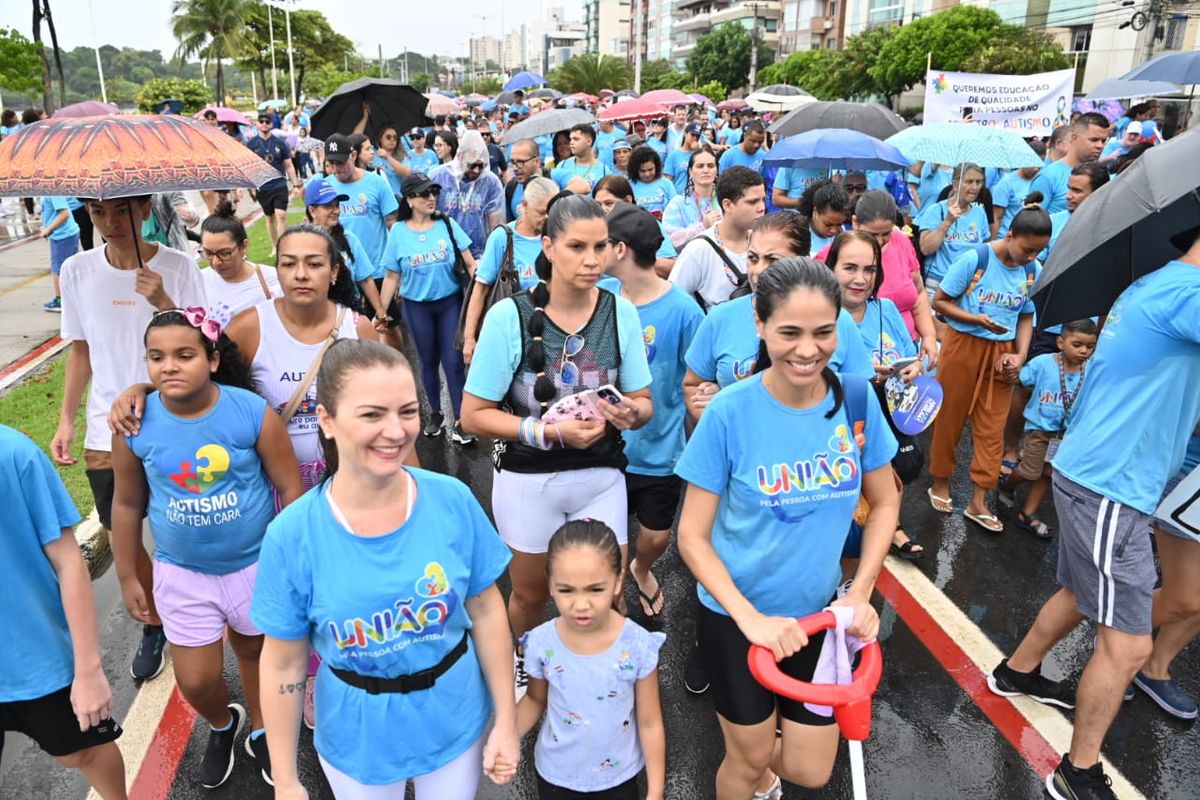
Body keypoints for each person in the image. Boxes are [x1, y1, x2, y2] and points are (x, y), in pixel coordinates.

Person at [251, 339, 519, 799]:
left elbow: (488, 610)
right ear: (327, 420)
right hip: (356, 739)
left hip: (454, 721)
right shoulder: (292, 535)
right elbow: (283, 661)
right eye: (372, 414)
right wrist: (286, 777)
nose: (395, 431)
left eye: (408, 411)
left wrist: (507, 721)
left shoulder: (451, 500)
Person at [676, 256, 899, 800]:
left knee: (811, 770)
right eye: (789, 332)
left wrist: (859, 593)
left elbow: (887, 500)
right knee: (748, 760)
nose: (807, 350)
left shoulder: (857, 399)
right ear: (759, 323)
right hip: (736, 618)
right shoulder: (729, 412)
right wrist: (750, 619)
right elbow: (692, 536)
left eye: (824, 332)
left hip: (819, 618)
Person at [989, 236, 1200, 800]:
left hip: (1099, 474)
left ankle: (1017, 672)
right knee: (1129, 646)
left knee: (1083, 593)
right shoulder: (1189, 296)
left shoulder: (1154, 283)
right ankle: (1076, 772)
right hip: (1113, 484)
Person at [460, 194, 654, 697]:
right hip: (529, 479)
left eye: (602, 247)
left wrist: (630, 413)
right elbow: (473, 414)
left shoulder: (619, 313)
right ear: (547, 246)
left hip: (601, 475)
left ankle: (600, 673)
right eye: (576, 247)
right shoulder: (510, 316)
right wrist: (545, 431)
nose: (592, 260)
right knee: (528, 594)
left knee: (609, 591)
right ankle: (524, 664)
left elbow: (644, 401)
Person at [110, 310, 303, 788]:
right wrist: (128, 575)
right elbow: (128, 502)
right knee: (195, 680)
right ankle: (223, 722)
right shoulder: (135, 426)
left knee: (256, 653)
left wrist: (293, 564)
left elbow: (291, 490)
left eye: (184, 355)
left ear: (213, 359)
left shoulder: (250, 412)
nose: (169, 367)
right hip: (183, 575)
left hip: (256, 565)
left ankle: (263, 729)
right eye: (156, 358)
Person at [53, 195, 207, 683]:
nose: (110, 222)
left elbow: (207, 340)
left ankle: (197, 604)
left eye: (120, 211)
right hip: (107, 425)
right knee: (119, 523)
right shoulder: (77, 271)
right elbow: (80, 352)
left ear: (143, 210)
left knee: (180, 520)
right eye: (98, 213)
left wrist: (164, 302)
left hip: (171, 416)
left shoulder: (178, 267)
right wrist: (67, 419)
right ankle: (154, 620)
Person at [0, 424, 127, 799]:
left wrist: (88, 671)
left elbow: (68, 561)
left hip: (34, 655)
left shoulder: (13, 454)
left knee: (82, 752)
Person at [516, 521, 666, 800]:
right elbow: (536, 699)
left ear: (618, 581)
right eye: (566, 590)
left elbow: (650, 722)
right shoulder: (540, 643)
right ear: (549, 584)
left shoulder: (637, 646)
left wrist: (656, 790)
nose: (581, 603)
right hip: (555, 775)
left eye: (595, 589)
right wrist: (506, 735)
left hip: (619, 779)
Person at [603, 202, 703, 620]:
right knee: (603, 537)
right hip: (603, 446)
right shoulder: (601, 295)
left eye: (602, 245)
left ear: (621, 249)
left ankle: (641, 569)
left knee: (656, 537)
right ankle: (607, 596)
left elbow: (699, 381)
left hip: (661, 449)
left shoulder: (684, 310)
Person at [926, 199, 1051, 531]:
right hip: (963, 345)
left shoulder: (1031, 271)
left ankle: (979, 499)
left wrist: (1020, 356)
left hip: (1004, 355)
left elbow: (1026, 316)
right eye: (1027, 248)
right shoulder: (975, 259)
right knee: (950, 417)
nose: (1031, 257)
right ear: (1010, 235)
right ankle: (940, 481)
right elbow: (939, 302)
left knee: (992, 427)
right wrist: (974, 318)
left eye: (1038, 251)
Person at [684, 212, 876, 418]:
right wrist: (720, 412)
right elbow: (693, 386)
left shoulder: (838, 320)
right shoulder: (720, 318)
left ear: (802, 260)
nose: (758, 271)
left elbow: (861, 396)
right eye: (753, 258)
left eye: (772, 259)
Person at [825, 230, 926, 558]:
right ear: (831, 268)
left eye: (869, 270)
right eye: (850, 268)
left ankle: (891, 524)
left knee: (902, 468)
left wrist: (913, 369)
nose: (860, 279)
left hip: (888, 409)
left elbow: (911, 356)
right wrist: (860, 375)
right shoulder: (820, 316)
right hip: (838, 422)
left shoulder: (887, 310)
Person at [377, 173, 476, 444]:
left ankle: (460, 420)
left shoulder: (447, 224)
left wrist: (481, 298)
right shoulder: (398, 232)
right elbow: (391, 275)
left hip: (450, 304)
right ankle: (435, 412)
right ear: (409, 199)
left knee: (454, 363)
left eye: (434, 192)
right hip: (416, 308)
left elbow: (471, 265)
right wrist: (381, 310)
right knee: (428, 362)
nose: (431, 198)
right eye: (424, 194)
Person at [997, 319, 1097, 538]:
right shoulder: (1043, 363)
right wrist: (1009, 368)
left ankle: (1028, 514)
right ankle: (1007, 484)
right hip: (1039, 430)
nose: (1084, 351)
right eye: (1077, 344)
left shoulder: (1092, 371)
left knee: (1048, 475)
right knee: (1030, 471)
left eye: (1090, 347)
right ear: (1061, 342)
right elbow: (1018, 380)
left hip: (1065, 435)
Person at [818, 191, 939, 367]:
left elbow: (918, 292)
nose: (880, 241)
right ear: (855, 223)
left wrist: (928, 336)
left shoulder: (901, 242)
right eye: (873, 234)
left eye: (886, 233)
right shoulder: (831, 256)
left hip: (902, 350)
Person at [463, 177, 559, 363]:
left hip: (550, 333)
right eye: (541, 212)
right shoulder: (502, 238)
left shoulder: (556, 236)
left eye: (551, 212)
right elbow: (480, 288)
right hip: (512, 335)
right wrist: (470, 338)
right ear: (525, 205)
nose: (547, 218)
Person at [302, 179, 392, 343]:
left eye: (336, 205)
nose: (335, 211)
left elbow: (365, 279)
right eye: (328, 206)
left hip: (348, 317)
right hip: (314, 319)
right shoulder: (301, 243)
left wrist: (380, 312)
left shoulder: (349, 240)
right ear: (312, 210)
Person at [668, 166, 765, 311]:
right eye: (752, 202)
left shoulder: (765, 241)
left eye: (763, 200)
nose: (761, 208)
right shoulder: (699, 250)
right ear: (727, 205)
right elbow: (674, 300)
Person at [198, 200, 282, 329]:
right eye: (208, 253)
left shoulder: (271, 280)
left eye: (225, 253)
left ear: (244, 246)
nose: (216, 262)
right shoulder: (198, 281)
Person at [915, 163, 991, 303]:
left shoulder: (980, 212)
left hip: (967, 285)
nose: (974, 187)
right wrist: (947, 222)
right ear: (955, 184)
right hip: (938, 282)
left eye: (978, 182)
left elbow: (984, 248)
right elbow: (926, 248)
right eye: (969, 182)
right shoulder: (936, 210)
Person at [322, 133, 399, 271]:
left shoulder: (377, 183)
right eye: (331, 163)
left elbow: (393, 226)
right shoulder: (325, 187)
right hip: (343, 271)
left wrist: (397, 267)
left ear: (353, 155)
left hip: (378, 269)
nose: (336, 169)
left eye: (340, 162)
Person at [431, 130, 506, 259]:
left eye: (480, 165)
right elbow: (428, 214)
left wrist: (492, 256)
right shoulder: (439, 176)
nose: (477, 170)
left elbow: (496, 223)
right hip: (443, 251)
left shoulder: (491, 182)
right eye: (472, 165)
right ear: (461, 157)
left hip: (479, 254)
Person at [592, 176, 678, 277]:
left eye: (609, 203)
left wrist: (635, 259)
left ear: (628, 200)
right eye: (598, 204)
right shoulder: (592, 231)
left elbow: (672, 269)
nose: (603, 209)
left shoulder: (647, 225)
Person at [1029, 112, 1108, 213]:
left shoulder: (1102, 175)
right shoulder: (1048, 176)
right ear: (1074, 138)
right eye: (1094, 140)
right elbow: (1032, 221)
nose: (1100, 146)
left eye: (1103, 141)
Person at [247, 114, 300, 257]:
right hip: (262, 186)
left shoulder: (280, 143)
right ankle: (275, 246)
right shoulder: (251, 144)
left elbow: (289, 165)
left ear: (271, 124)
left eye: (267, 121)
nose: (264, 124)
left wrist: (295, 185)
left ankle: (283, 247)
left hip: (279, 184)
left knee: (281, 215)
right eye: (261, 121)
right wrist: (250, 187)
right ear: (257, 124)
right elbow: (248, 168)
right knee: (269, 217)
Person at [662, 147, 721, 249]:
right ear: (690, 171)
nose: (706, 170)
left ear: (717, 170)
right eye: (700, 166)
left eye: (711, 166)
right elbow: (670, 240)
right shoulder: (677, 203)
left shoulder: (725, 201)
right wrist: (702, 226)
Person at [38, 195, 81, 312]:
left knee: (58, 268)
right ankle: (72, 296)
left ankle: (60, 300)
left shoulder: (53, 193)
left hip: (62, 235)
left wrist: (49, 229)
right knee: (67, 266)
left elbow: (65, 214)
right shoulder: (49, 192)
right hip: (65, 233)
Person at [991, 150, 1043, 239]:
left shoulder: (1040, 181)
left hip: (1029, 237)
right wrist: (992, 243)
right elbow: (996, 217)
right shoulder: (1006, 183)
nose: (1036, 169)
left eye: (1039, 165)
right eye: (1033, 164)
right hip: (1007, 237)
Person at [797, 180, 850, 256]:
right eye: (828, 224)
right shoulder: (799, 233)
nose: (834, 231)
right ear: (815, 212)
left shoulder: (842, 235)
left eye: (839, 225)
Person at [551, 124, 610, 192]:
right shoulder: (562, 165)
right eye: (571, 139)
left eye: (576, 139)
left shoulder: (604, 170)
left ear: (589, 141)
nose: (571, 143)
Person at [626, 146, 676, 218]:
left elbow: (675, 208)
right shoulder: (629, 186)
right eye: (643, 171)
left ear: (656, 167)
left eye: (650, 169)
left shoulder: (667, 184)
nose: (647, 174)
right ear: (635, 170)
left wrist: (664, 216)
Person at [505, 138, 546, 222]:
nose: (515, 168)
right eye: (513, 162)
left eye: (520, 162)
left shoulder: (553, 177)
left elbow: (578, 185)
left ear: (537, 161)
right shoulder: (510, 187)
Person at [370, 124, 412, 197]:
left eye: (395, 137)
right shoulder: (372, 154)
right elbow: (355, 141)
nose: (392, 139)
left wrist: (388, 156)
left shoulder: (402, 155)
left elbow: (407, 172)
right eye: (388, 137)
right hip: (377, 197)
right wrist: (364, 119)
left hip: (397, 198)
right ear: (380, 139)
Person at [664, 123, 704, 195]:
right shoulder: (674, 155)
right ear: (685, 134)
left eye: (697, 136)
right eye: (692, 135)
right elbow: (668, 180)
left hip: (696, 196)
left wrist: (698, 152)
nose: (695, 138)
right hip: (678, 196)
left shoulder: (699, 154)